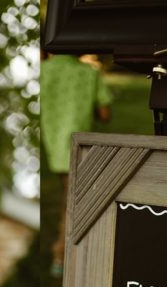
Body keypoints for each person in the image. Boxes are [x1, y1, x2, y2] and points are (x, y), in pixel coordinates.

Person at [40, 54, 112, 273]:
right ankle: (61, 256)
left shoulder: (43, 71)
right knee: (73, 202)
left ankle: (62, 255)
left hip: (54, 146)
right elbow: (105, 113)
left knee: (71, 198)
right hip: (77, 146)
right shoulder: (89, 73)